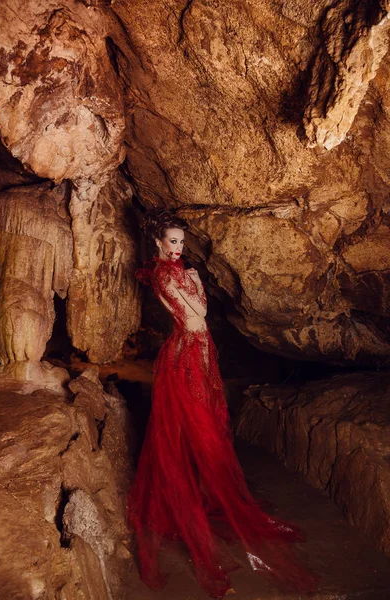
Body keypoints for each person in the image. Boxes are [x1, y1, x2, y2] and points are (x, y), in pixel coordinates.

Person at [127, 208, 318, 598]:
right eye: (173, 242)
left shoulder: (180, 272)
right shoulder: (164, 274)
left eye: (182, 241)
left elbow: (203, 315)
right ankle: (184, 507)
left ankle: (199, 495)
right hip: (183, 354)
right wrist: (195, 285)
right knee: (192, 429)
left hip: (199, 349)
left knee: (206, 426)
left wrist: (194, 283)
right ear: (160, 243)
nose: (179, 248)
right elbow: (196, 312)